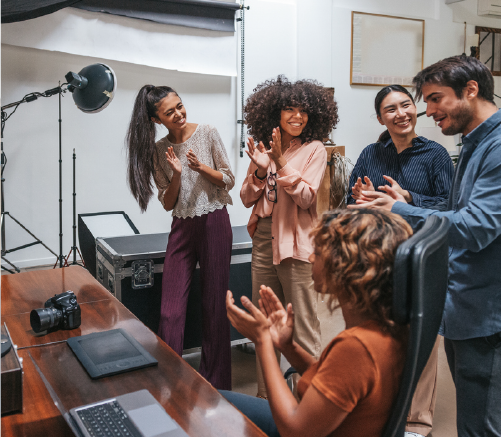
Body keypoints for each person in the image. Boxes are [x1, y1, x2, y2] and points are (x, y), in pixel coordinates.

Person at [352, 55, 501, 436]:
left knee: (482, 424)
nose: (427, 110)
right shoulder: (471, 143)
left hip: (487, 312)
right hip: (463, 304)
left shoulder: (495, 147)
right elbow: (455, 209)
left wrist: (400, 206)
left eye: (435, 98)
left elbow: (476, 226)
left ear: (470, 90)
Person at [223, 208, 412, 437]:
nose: (311, 258)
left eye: (318, 253)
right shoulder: (383, 329)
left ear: (347, 268)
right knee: (217, 398)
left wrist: (263, 341)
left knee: (213, 403)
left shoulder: (357, 347)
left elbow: (294, 430)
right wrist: (287, 346)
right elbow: (335, 381)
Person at [347, 84, 454, 437]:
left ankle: (416, 423)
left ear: (415, 110)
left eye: (406, 105)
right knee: (385, 336)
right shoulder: (370, 154)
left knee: (423, 338)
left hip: (423, 258)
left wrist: (408, 197)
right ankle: (383, 410)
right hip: (378, 258)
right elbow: (351, 197)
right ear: (381, 118)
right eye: (391, 109)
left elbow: (450, 207)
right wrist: (360, 196)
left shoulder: (436, 155)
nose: (401, 114)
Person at [126, 85, 235, 390]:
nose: (178, 114)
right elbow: (167, 202)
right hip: (182, 227)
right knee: (169, 311)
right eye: (169, 111)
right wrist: (176, 174)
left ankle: (217, 386)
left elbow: (227, 180)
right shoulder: (158, 151)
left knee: (215, 307)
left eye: (180, 106)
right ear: (155, 119)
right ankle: (169, 381)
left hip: (214, 221)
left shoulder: (208, 132)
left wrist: (202, 168)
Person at [240, 76, 339, 398]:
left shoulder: (315, 149)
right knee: (265, 324)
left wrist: (280, 162)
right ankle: (265, 401)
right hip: (264, 239)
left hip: (296, 243)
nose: (297, 116)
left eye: (303, 111)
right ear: (275, 113)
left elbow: (306, 198)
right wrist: (258, 169)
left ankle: (307, 404)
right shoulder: (265, 144)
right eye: (289, 110)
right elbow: (246, 198)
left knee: (302, 328)